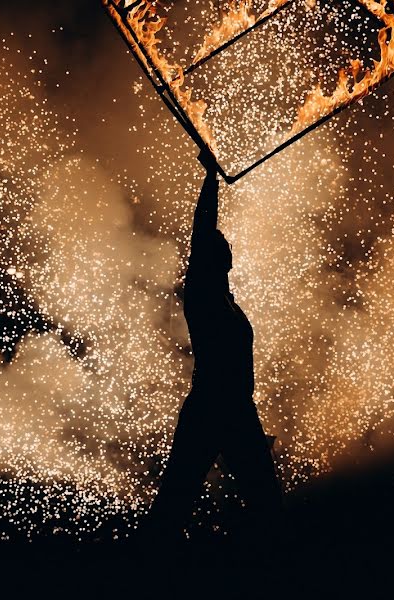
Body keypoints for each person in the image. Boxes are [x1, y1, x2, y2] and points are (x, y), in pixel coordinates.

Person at [146, 149, 283, 542]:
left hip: (239, 411)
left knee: (267, 504)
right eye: (217, 242)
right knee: (175, 502)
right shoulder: (202, 295)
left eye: (223, 242)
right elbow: (203, 227)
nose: (225, 243)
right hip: (210, 408)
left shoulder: (228, 302)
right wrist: (210, 179)